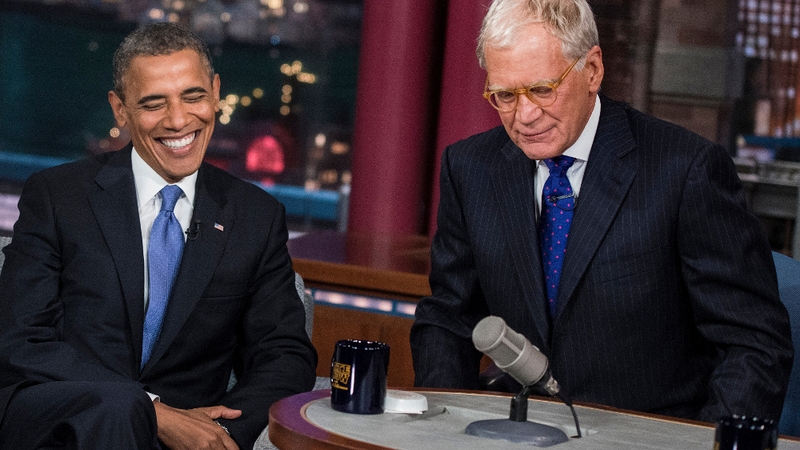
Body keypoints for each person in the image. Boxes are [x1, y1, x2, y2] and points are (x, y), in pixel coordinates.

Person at [410, 0, 793, 423]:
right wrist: (444, 426)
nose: (525, 115)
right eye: (504, 95)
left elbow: (754, 344)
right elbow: (448, 318)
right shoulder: (470, 169)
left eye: (541, 90)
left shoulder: (685, 171)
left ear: (592, 70)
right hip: (518, 429)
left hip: (647, 434)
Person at [0, 22, 317, 450]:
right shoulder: (58, 196)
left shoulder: (256, 217)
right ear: (120, 110)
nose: (179, 120)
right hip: (65, 424)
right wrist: (150, 411)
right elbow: (22, 338)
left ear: (216, 92)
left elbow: (285, 356)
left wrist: (219, 433)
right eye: (154, 103)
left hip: (187, 439)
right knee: (117, 411)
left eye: (193, 96)